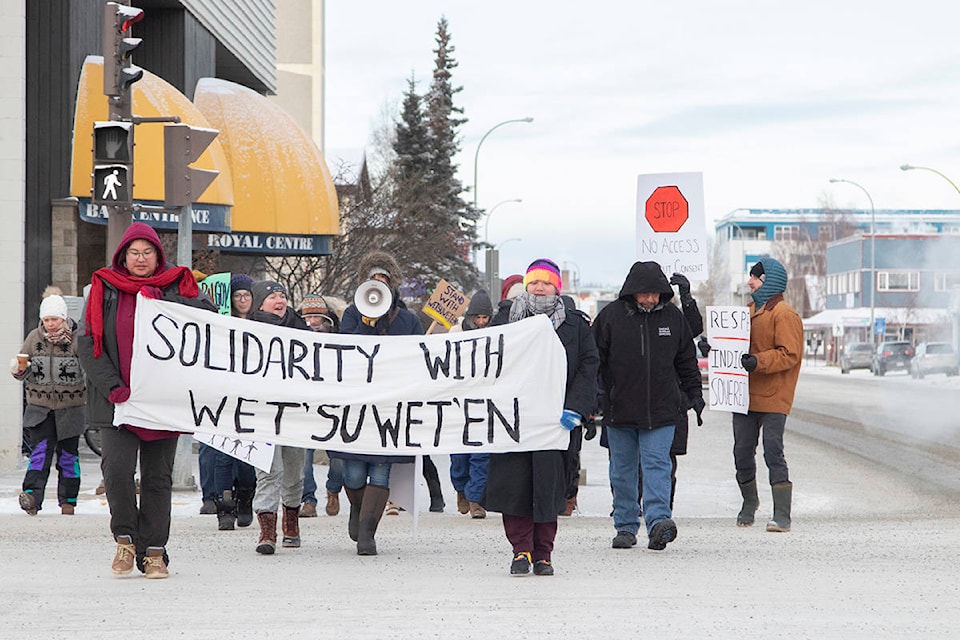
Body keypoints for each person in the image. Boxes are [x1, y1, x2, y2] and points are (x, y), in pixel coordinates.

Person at [78, 221, 216, 579]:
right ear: (123, 256)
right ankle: (125, 539)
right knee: (118, 472)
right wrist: (113, 387)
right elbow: (88, 343)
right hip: (118, 401)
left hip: (160, 402)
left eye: (147, 252)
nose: (140, 259)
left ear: (159, 256)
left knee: (158, 478)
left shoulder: (173, 287)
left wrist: (195, 294)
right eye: (134, 253)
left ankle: (154, 550)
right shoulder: (104, 288)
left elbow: (206, 327)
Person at [484, 259, 598, 576]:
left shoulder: (575, 324)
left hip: (556, 422)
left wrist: (576, 407)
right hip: (514, 420)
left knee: (549, 488)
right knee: (515, 486)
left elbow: (589, 368)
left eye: (546, 282)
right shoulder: (505, 320)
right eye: (534, 282)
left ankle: (543, 553)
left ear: (556, 287)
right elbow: (485, 360)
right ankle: (521, 550)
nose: (539, 287)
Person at [592, 261, 704, 552]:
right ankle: (626, 527)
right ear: (632, 291)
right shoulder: (610, 318)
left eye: (656, 293)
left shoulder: (674, 318)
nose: (651, 299)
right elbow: (593, 362)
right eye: (645, 293)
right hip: (620, 410)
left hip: (663, 410)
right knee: (623, 470)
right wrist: (595, 399)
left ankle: (658, 523)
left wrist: (694, 394)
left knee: (657, 465)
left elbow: (686, 361)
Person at [333, 251, 422, 555]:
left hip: (390, 407)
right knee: (354, 472)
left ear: (392, 284)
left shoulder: (407, 320)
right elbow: (343, 351)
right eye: (373, 279)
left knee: (382, 469)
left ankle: (368, 534)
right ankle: (358, 511)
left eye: (384, 280)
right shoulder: (351, 315)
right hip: (357, 406)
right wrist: (365, 324)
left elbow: (420, 358)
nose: (378, 284)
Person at [735, 258, 803, 532]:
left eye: (755, 277)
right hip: (744, 395)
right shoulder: (748, 311)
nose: (749, 281)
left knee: (772, 450)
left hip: (774, 395)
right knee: (741, 451)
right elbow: (736, 347)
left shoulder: (784, 314)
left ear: (769, 281)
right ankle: (749, 502)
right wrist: (713, 348)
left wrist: (758, 362)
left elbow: (790, 354)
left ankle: (782, 514)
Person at [246, 280, 312, 554]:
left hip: (295, 414)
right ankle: (267, 530)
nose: (279, 299)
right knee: (268, 472)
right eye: (273, 295)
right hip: (262, 414)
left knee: (294, 472)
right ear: (260, 303)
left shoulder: (303, 332)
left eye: (282, 295)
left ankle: (291, 522)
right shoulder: (246, 333)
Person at [12, 288, 86, 516]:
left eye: (54, 319)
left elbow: (88, 369)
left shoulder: (77, 339)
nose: (50, 324)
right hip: (39, 407)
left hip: (70, 408)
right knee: (39, 453)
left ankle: (68, 500)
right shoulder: (34, 338)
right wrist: (18, 370)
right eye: (46, 320)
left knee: (68, 456)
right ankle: (32, 496)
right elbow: (22, 367)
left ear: (63, 318)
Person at [635, 272, 705, 511]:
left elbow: (693, 330)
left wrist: (686, 297)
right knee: (634, 460)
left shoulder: (673, 317)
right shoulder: (625, 316)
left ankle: (663, 508)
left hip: (671, 398)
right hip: (635, 398)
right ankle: (631, 506)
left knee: (665, 459)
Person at [208, 273, 258, 531]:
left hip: (252, 400)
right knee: (222, 456)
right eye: (237, 295)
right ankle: (224, 508)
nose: (242, 300)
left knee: (248, 457)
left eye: (246, 295)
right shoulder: (220, 325)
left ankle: (246, 497)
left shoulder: (262, 324)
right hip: (224, 397)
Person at [296, 292, 345, 519]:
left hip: (334, 408)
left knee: (339, 460)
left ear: (328, 321)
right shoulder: (294, 339)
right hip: (304, 407)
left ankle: (333, 489)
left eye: (318, 318)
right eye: (308, 318)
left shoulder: (341, 342)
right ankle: (308, 500)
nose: (313, 323)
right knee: (303, 459)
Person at [448, 289, 494, 519]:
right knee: (459, 455)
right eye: (477, 318)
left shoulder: (497, 334)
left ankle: (476, 498)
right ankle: (461, 490)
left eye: (485, 318)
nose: (481, 322)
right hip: (458, 402)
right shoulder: (455, 333)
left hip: (485, 403)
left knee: (481, 454)